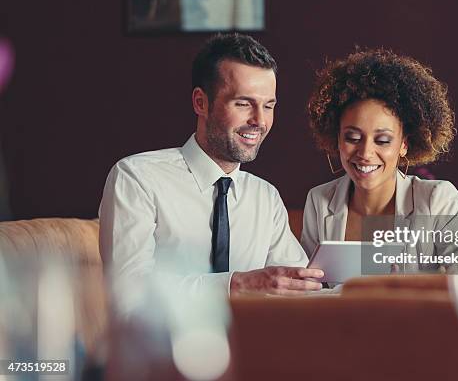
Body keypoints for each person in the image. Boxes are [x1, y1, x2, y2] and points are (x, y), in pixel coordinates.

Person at [99, 33, 323, 297]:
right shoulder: (137, 178)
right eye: (243, 103)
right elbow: (129, 293)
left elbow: (300, 289)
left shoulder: (266, 197)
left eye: (268, 106)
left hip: (258, 338)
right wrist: (236, 284)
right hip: (167, 339)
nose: (259, 121)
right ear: (200, 102)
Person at [302, 48, 458, 271]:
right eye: (353, 137)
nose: (366, 152)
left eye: (383, 140)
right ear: (337, 138)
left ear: (404, 145)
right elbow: (306, 288)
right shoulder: (319, 201)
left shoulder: (438, 200)